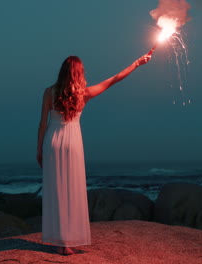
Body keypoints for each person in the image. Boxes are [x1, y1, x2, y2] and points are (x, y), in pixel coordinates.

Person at [36, 53, 151, 255]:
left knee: (56, 191)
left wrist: (39, 149)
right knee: (72, 191)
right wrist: (135, 64)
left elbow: (43, 123)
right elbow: (114, 79)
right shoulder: (84, 94)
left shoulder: (48, 92)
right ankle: (67, 242)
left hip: (52, 142)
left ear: (62, 72)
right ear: (79, 73)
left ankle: (60, 241)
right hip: (72, 142)